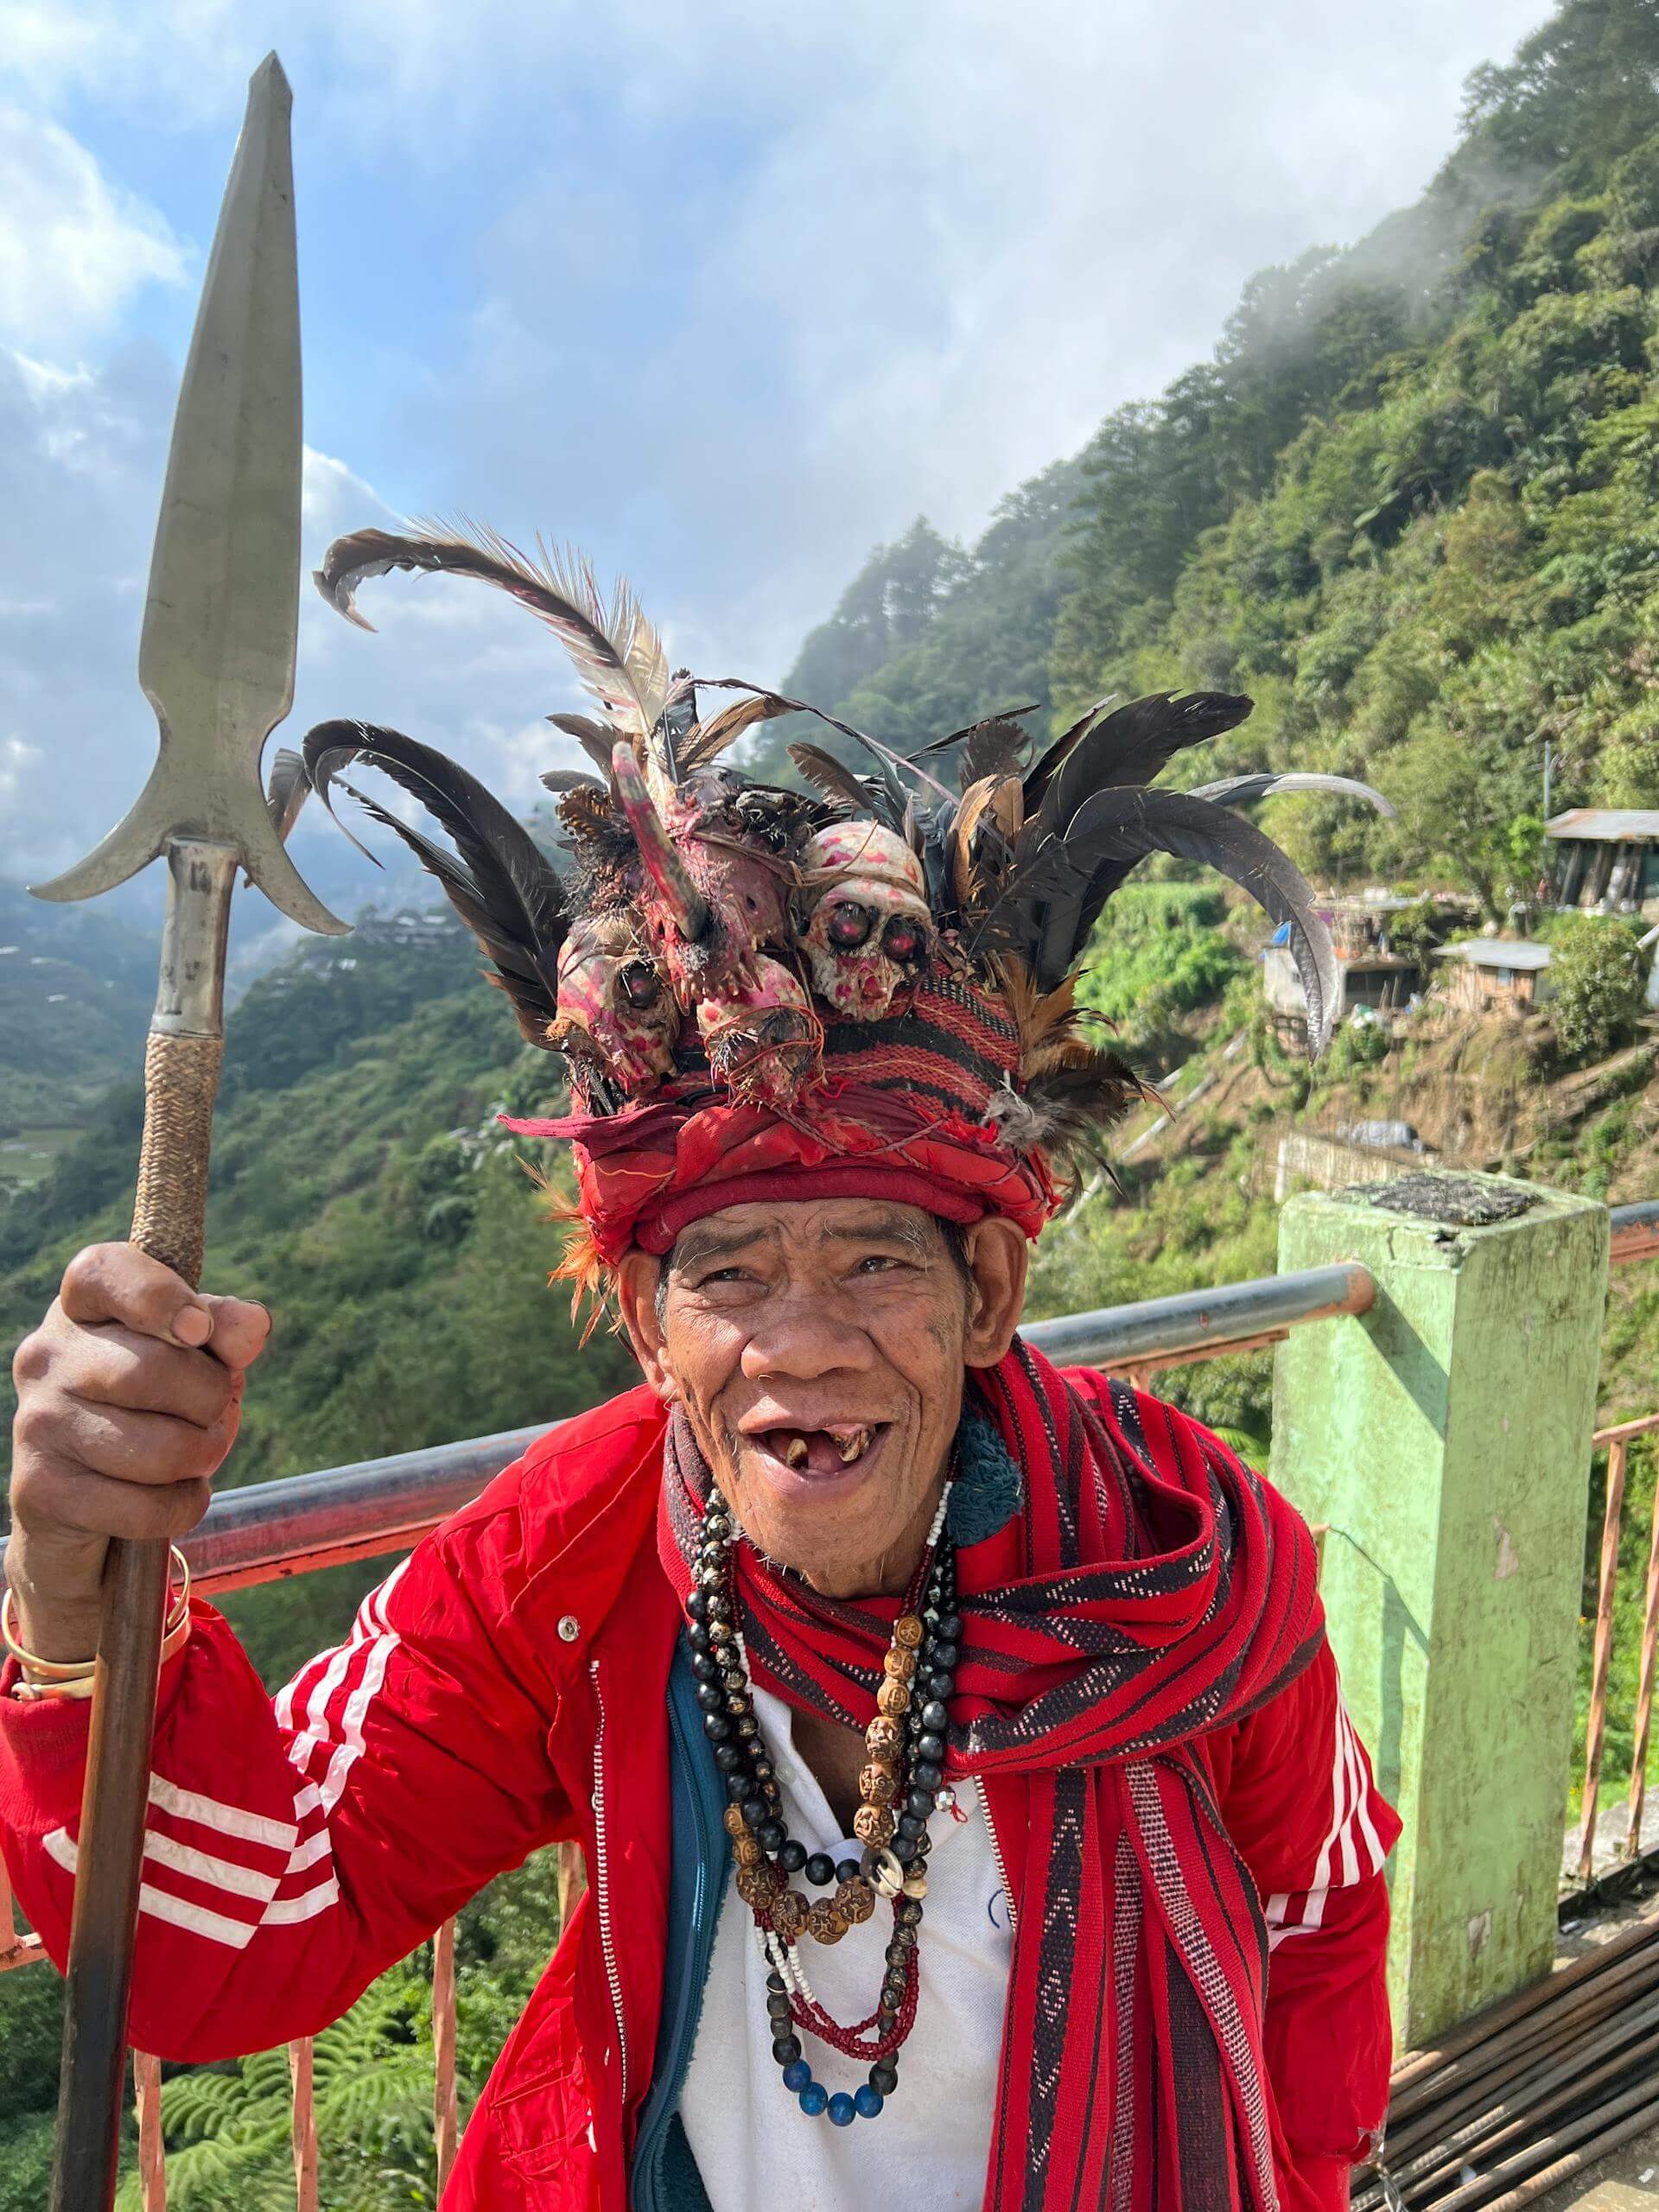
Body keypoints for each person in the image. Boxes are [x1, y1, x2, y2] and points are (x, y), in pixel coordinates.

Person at [2, 524, 1398, 2212]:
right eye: (727, 1271)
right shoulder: (570, 1558)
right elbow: (241, 1933)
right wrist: (78, 1618)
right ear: (651, 1325)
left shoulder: (1192, 1556)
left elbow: (1321, 1920)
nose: (799, 1341)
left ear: (990, 1287)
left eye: (877, 1257)